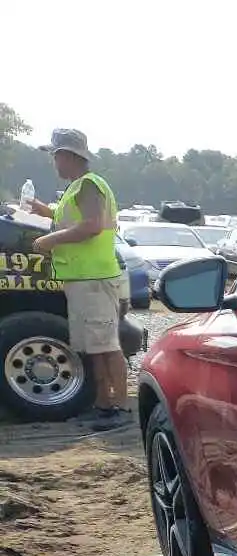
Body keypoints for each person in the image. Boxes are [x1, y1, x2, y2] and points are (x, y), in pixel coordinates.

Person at [24, 129, 128, 431]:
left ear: (69, 155)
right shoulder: (76, 188)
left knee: (107, 346)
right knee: (94, 346)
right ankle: (104, 405)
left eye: (55, 155)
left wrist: (48, 241)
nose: (53, 162)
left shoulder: (88, 186)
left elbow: (92, 226)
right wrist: (42, 210)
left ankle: (119, 408)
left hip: (95, 279)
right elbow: (68, 217)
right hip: (83, 279)